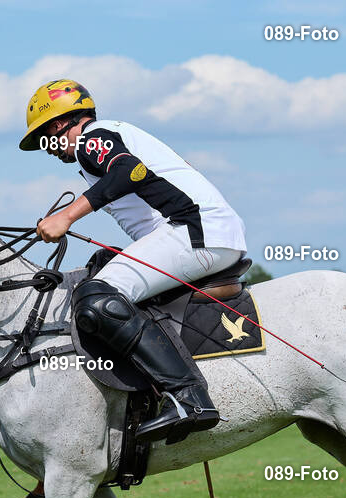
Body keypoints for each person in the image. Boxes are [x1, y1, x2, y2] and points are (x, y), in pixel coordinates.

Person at [20, 79, 247, 445]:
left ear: (64, 121)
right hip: (203, 232)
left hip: (193, 231)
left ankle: (188, 397)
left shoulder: (94, 137)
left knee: (97, 297)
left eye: (45, 133)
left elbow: (129, 172)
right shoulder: (110, 136)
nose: (46, 147)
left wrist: (66, 216)